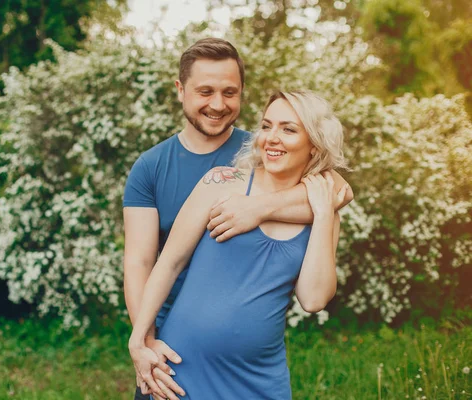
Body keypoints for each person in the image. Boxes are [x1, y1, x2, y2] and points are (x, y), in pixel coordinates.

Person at [123, 38, 352, 400]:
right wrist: (141, 340)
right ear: (180, 90)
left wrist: (277, 209)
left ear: (315, 143)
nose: (273, 137)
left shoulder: (309, 192)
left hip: (258, 378)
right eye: (268, 126)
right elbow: (152, 262)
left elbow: (313, 298)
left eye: (289, 129)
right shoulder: (212, 179)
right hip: (180, 360)